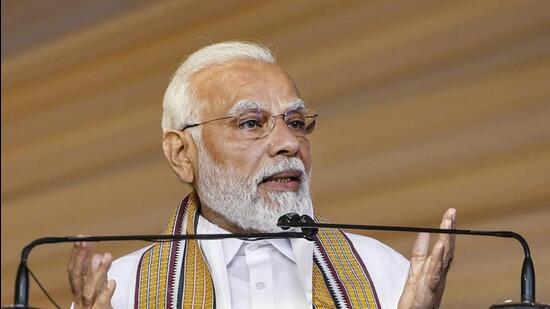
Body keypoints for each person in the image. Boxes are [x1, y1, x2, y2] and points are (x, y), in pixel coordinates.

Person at [67, 41, 456, 309]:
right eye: (252, 123)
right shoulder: (122, 290)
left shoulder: (382, 273)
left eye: (297, 122)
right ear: (182, 153)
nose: (288, 143)